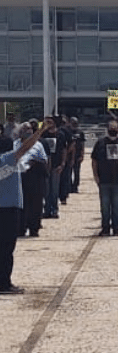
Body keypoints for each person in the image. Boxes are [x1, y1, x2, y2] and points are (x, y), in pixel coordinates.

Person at [1, 116, 53, 294]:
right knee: (7, 248)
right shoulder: (7, 160)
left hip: (6, 207)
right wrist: (40, 131)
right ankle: (4, 284)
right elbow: (25, 147)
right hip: (8, 208)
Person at [91, 120, 118, 236]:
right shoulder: (100, 143)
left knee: (117, 206)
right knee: (105, 207)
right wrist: (95, 176)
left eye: (115, 128)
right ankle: (105, 228)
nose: (113, 130)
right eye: (111, 128)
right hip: (104, 180)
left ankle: (116, 228)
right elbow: (94, 160)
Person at [15, 120, 49, 238]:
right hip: (20, 177)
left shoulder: (39, 145)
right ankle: (21, 228)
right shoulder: (15, 144)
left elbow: (44, 160)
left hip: (34, 176)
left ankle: (34, 228)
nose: (27, 131)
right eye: (25, 129)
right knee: (21, 205)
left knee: (36, 204)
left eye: (29, 129)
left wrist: (35, 162)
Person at [69, 117, 86, 194]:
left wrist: (82, 155)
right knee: (68, 172)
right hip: (69, 155)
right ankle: (68, 186)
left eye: (75, 123)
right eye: (73, 122)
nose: (74, 124)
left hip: (77, 154)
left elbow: (82, 144)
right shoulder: (68, 131)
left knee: (76, 172)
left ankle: (75, 187)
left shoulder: (80, 132)